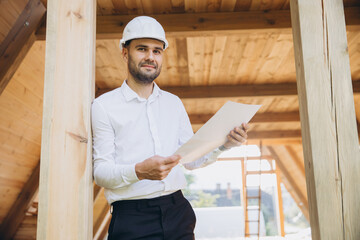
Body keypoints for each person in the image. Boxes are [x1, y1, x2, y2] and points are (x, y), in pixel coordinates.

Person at [91, 16, 249, 240]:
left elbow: (190, 159)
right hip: (132, 219)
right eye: (142, 49)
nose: (150, 57)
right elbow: (101, 174)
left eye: (157, 51)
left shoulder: (173, 103)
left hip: (178, 211)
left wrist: (225, 145)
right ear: (125, 53)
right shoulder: (103, 106)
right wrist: (139, 171)